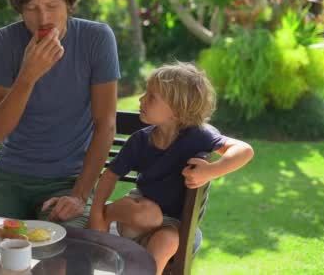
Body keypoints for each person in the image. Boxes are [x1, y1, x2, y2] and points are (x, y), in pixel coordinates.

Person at [0, 0, 120, 228]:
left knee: (65, 254)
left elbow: (105, 125)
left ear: (69, 4)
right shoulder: (2, 43)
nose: (43, 18)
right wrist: (28, 74)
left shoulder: (96, 39)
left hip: (68, 182)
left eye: (52, 6)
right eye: (32, 8)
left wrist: (79, 195)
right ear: (20, 10)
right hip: (8, 182)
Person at [88, 62, 254, 275]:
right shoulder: (140, 140)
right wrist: (97, 215)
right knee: (151, 215)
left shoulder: (199, 136)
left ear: (177, 111)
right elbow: (110, 175)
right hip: (136, 216)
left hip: (174, 227)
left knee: (166, 240)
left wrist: (211, 171)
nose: (141, 100)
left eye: (151, 97)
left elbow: (244, 150)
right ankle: (108, 212)